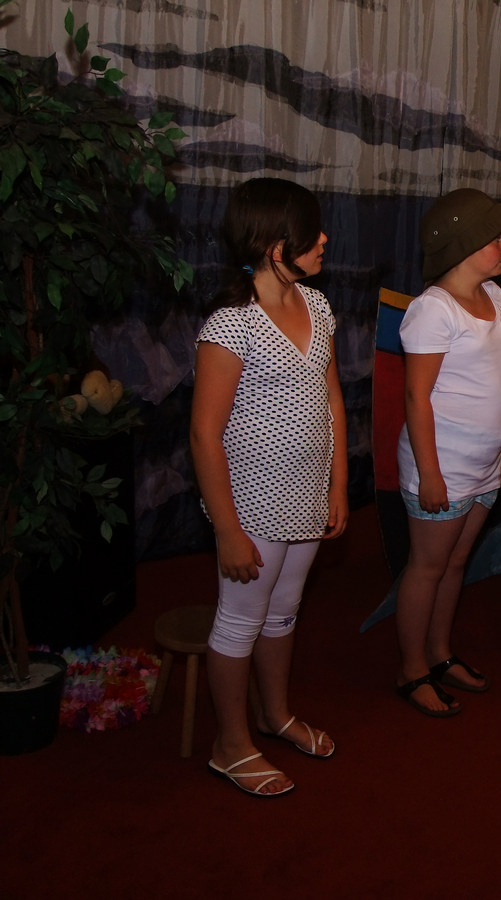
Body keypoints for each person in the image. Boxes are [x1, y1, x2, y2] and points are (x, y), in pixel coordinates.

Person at [192, 177, 348, 797]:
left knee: (283, 613)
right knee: (240, 621)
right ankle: (229, 746)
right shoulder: (232, 323)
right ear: (276, 247)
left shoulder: (317, 306)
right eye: (312, 233)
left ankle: (274, 715)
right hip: (251, 506)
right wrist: (228, 530)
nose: (325, 239)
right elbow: (205, 434)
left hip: (307, 495)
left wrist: (338, 485)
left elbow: (332, 399)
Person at [393, 189, 501, 717]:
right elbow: (415, 396)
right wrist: (429, 473)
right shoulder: (433, 309)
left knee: (456, 561)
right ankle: (411, 670)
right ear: (464, 246)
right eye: (496, 239)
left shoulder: (496, 296)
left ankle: (440, 653)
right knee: (427, 567)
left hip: (483, 463)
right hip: (442, 465)